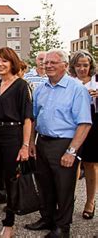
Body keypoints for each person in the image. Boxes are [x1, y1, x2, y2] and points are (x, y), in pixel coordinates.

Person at [25, 49, 92, 237]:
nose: (48, 66)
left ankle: (63, 227)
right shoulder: (41, 89)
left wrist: (71, 151)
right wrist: (31, 142)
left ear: (64, 64)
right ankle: (47, 218)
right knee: (44, 184)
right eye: (46, 63)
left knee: (64, 187)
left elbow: (85, 123)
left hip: (64, 143)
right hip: (43, 142)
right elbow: (34, 118)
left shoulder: (76, 89)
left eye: (53, 62)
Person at [0, 47, 33, 238]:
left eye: (5, 61)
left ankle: (9, 224)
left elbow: (27, 119)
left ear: (12, 63)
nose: (0, 64)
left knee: (11, 181)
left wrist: (25, 146)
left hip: (13, 134)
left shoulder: (21, 86)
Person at [68, 50, 97, 220]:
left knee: (91, 164)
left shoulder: (96, 81)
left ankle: (90, 202)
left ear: (90, 66)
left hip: (94, 124)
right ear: (73, 67)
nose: (82, 68)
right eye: (78, 65)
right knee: (73, 162)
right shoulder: (70, 82)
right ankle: (69, 199)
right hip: (74, 124)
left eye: (85, 65)